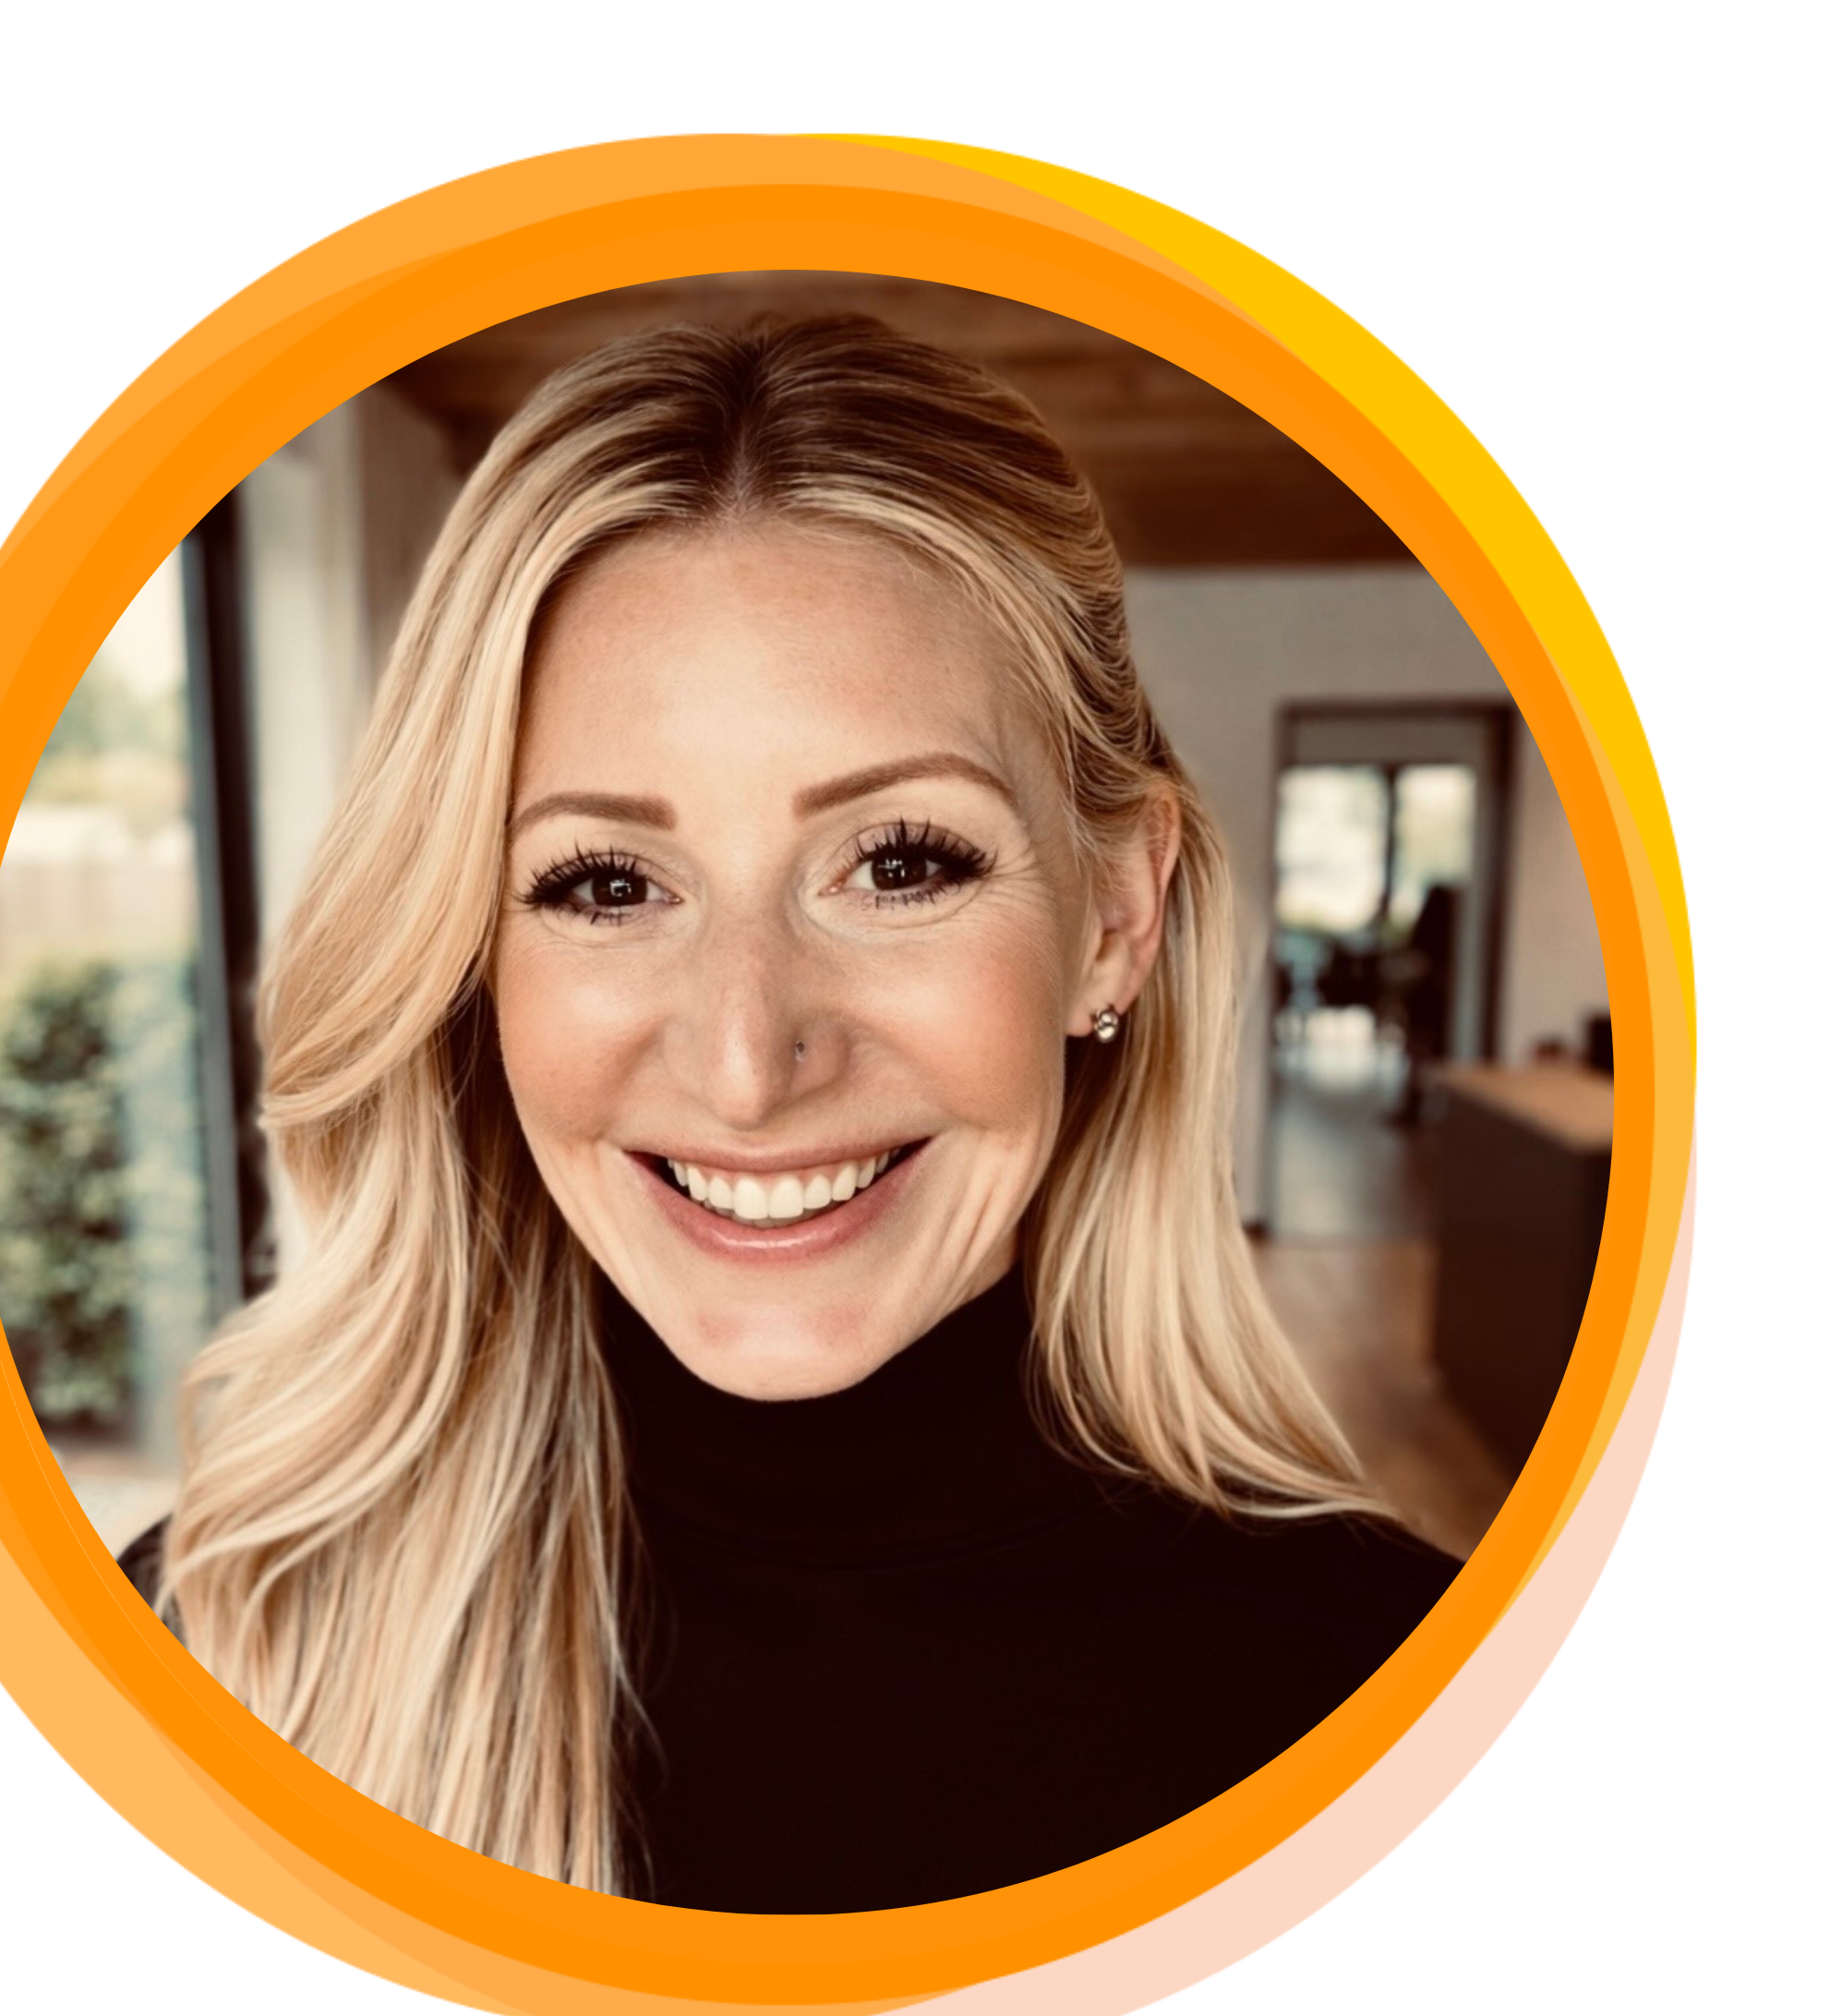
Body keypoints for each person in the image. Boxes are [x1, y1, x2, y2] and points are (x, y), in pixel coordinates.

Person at [121, 317, 1457, 1912]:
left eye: (900, 863)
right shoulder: (213, 1659)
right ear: (469, 958)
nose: (749, 1063)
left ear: (1115, 917)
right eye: (605, 884)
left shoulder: (1412, 1712)